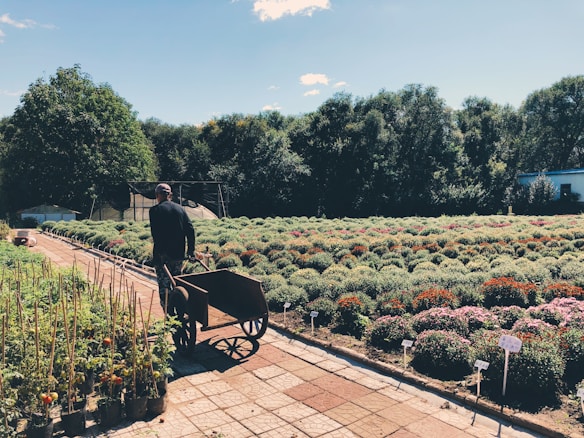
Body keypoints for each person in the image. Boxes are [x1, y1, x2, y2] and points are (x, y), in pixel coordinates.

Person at [149, 183, 195, 311]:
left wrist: (160, 253)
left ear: (157, 195)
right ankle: (180, 309)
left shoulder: (155, 211)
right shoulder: (180, 209)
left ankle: (169, 316)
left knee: (164, 288)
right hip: (178, 255)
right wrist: (191, 251)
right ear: (170, 195)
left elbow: (156, 234)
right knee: (177, 282)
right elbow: (190, 230)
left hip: (163, 257)